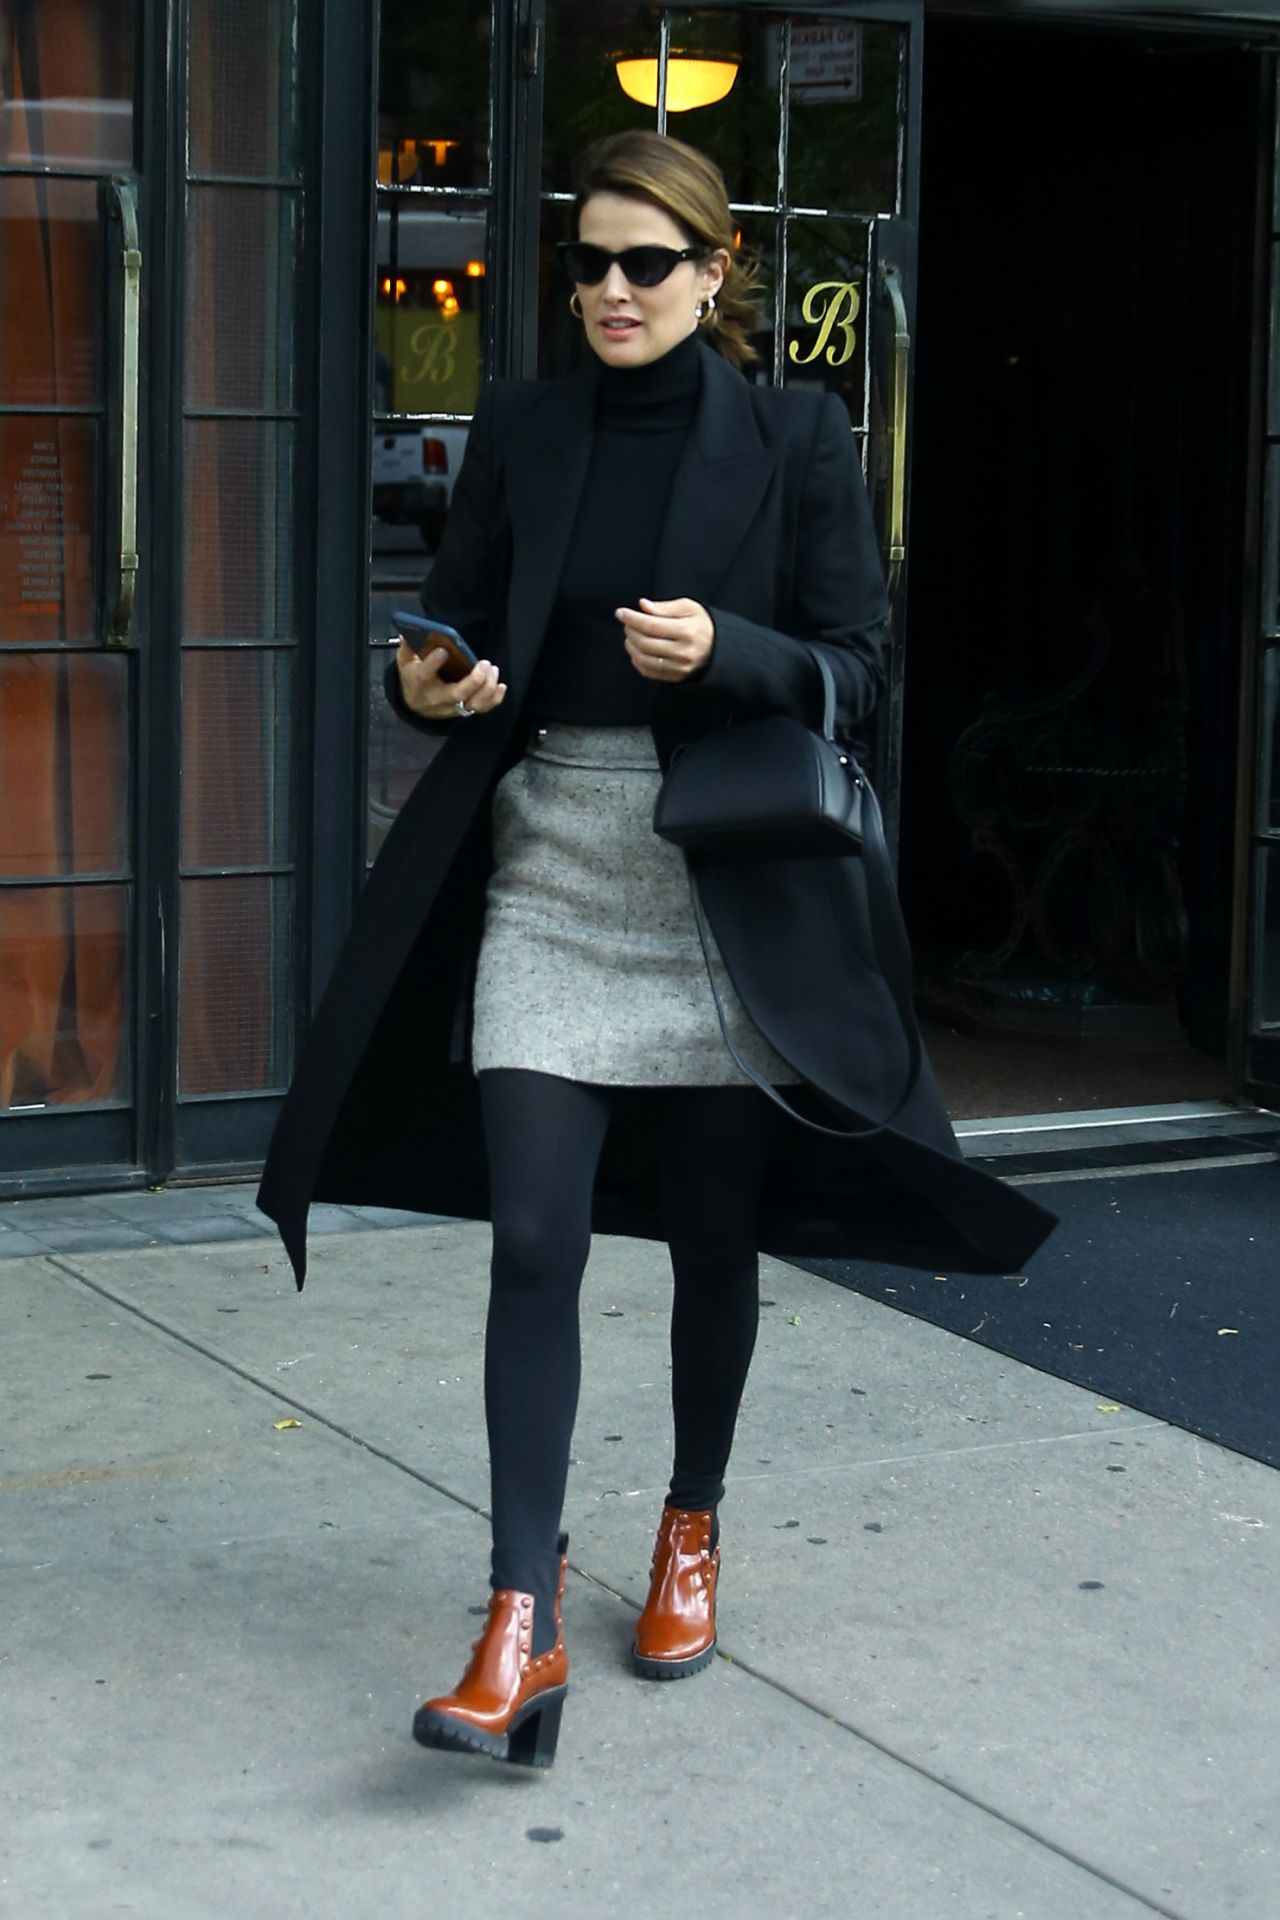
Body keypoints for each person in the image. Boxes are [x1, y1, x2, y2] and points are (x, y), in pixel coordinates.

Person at [255, 131, 1056, 1771]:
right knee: (533, 1239)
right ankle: (516, 1613)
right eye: (588, 263)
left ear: (712, 274)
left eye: (644, 264)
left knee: (711, 1242)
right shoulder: (528, 426)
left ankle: (691, 1523)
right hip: (553, 860)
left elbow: (858, 666)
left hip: (724, 891)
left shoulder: (793, 434)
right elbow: (455, 614)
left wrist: (731, 650)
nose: (609, 292)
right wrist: (436, 680)